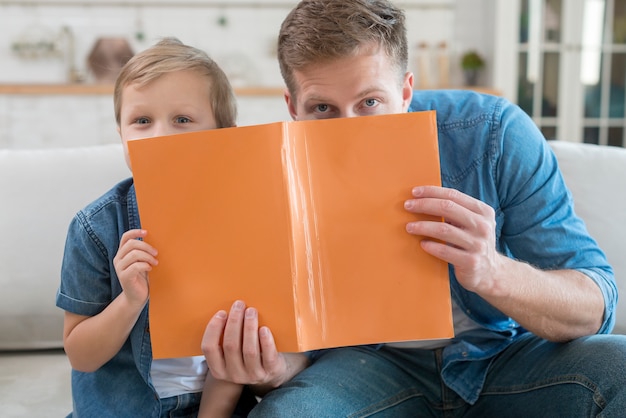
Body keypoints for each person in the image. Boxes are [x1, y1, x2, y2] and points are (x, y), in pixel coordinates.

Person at [201, 0, 626, 416]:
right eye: (323, 109)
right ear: (293, 109)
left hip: (501, 357)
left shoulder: (492, 133)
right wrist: (270, 372)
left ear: (405, 91)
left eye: (370, 103)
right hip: (365, 368)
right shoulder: (269, 177)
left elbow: (595, 306)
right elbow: (297, 356)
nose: (350, 134)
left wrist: (493, 273)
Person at [56, 37, 256, 417]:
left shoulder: (244, 221)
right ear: (121, 134)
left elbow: (236, 347)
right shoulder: (95, 228)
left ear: (224, 134)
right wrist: (130, 301)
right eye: (142, 121)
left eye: (182, 120)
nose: (160, 137)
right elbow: (81, 356)